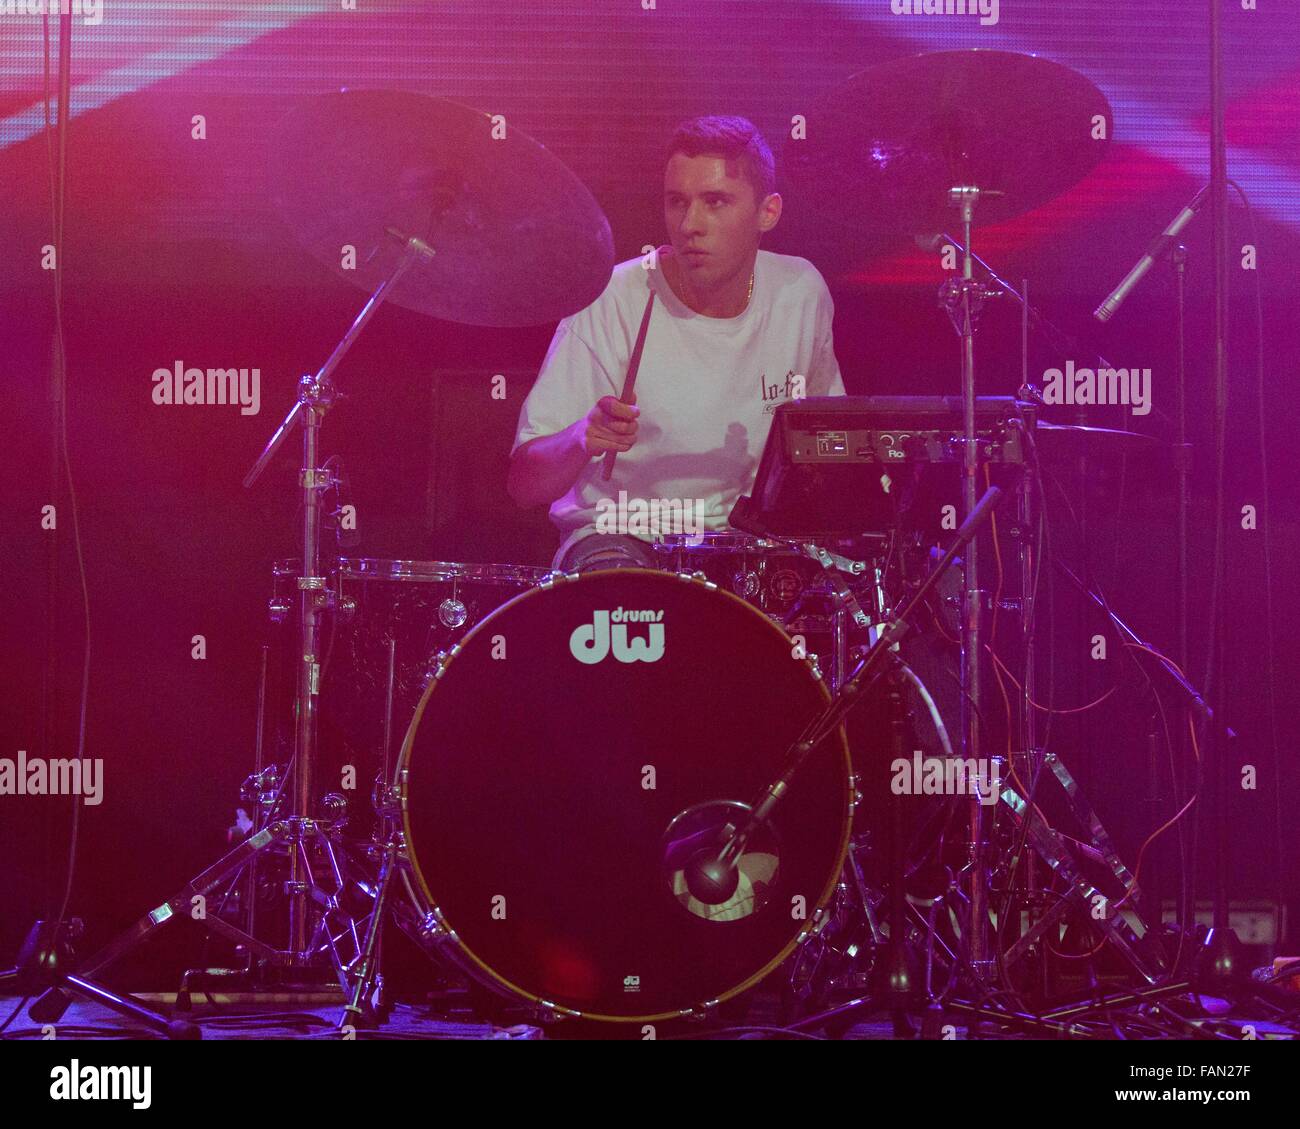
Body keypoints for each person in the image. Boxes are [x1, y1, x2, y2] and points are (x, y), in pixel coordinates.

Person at [507, 115, 846, 570]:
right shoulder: (610, 297)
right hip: (623, 532)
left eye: (716, 201)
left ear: (768, 212)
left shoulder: (800, 290)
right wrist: (580, 438)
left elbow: (829, 447)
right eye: (677, 202)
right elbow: (525, 486)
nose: (690, 224)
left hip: (747, 544)